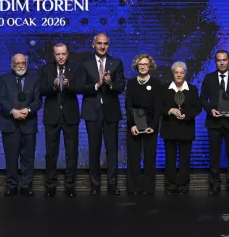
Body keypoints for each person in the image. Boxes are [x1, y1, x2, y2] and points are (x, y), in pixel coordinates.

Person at [79, 32, 126, 195]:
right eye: (99, 43)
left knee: (112, 150)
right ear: (93, 45)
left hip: (111, 113)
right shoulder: (85, 63)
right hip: (92, 112)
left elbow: (121, 86)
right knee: (94, 149)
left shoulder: (116, 63)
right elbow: (80, 87)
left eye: (105, 43)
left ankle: (112, 184)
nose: (102, 46)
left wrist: (110, 83)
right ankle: (95, 185)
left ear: (108, 45)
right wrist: (97, 85)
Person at [38, 43, 82, 197]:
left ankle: (70, 186)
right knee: (51, 153)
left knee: (72, 153)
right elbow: (40, 90)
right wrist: (54, 86)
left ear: (67, 54)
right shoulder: (46, 69)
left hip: (71, 116)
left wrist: (68, 85)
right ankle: (50, 186)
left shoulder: (75, 68)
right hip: (52, 117)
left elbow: (81, 87)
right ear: (54, 55)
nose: (61, 57)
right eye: (58, 54)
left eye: (63, 54)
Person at [199, 49, 229, 196]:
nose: (222, 63)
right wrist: (210, 110)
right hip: (214, 122)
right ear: (216, 62)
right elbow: (202, 98)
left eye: (224, 60)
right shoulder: (209, 78)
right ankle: (215, 184)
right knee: (214, 155)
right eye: (219, 60)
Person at [0, 53, 41, 196]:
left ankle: (26, 185)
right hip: (9, 123)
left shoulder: (34, 79)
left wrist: (28, 110)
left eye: (23, 63)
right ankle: (11, 185)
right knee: (11, 158)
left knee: (28, 157)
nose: (21, 66)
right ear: (12, 65)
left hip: (28, 123)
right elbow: (1, 98)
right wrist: (13, 111)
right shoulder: (4, 79)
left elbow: (38, 101)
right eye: (18, 63)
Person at [160, 61, 201, 194]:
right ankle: (170, 186)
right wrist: (170, 110)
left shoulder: (192, 89)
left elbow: (197, 108)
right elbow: (159, 106)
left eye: (181, 72)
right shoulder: (164, 88)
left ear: (185, 74)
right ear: (173, 74)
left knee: (185, 160)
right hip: (169, 128)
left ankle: (183, 186)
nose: (179, 75)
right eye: (176, 72)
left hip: (186, 128)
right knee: (170, 159)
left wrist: (186, 115)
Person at [125, 53, 162, 195]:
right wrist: (132, 125)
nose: (143, 67)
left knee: (149, 156)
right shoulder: (131, 83)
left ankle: (148, 188)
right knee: (134, 157)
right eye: (140, 64)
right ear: (136, 66)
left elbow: (158, 106)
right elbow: (128, 105)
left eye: (145, 64)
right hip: (134, 123)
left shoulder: (156, 83)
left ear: (150, 66)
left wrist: (153, 126)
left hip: (151, 124)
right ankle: (134, 187)